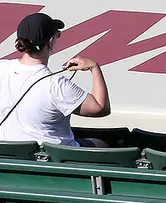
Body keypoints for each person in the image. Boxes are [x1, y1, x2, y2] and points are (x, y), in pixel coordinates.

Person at [0, 13, 110, 146]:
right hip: (52, 158)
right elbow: (100, 108)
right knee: (102, 144)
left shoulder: (2, 67)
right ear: (50, 42)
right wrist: (94, 67)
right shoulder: (56, 85)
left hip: (9, 153)